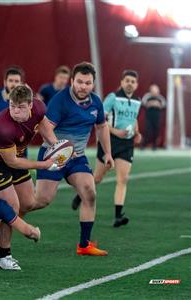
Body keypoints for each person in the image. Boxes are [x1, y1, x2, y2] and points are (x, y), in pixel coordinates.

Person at [34, 62, 114, 256]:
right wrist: (63, 148)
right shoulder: (60, 100)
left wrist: (108, 153)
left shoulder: (96, 102)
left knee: (89, 192)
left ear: (93, 84)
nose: (83, 86)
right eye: (79, 82)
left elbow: (102, 127)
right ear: (72, 81)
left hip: (77, 158)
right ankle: (9, 218)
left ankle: (84, 245)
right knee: (41, 200)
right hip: (52, 154)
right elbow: (44, 128)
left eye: (87, 83)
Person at [0, 85, 58, 270]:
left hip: (16, 157)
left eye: (20, 107)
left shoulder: (39, 107)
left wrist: (56, 146)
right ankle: (4, 256)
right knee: (11, 206)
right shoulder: (2, 128)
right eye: (12, 105)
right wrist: (44, 165)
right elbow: (13, 162)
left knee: (29, 203)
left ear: (31, 105)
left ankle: (0, 227)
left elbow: (43, 123)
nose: (15, 110)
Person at [72, 70, 142, 228]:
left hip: (127, 144)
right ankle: (80, 195)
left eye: (133, 81)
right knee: (97, 178)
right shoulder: (113, 97)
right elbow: (100, 119)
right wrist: (116, 131)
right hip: (109, 142)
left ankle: (118, 215)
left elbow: (134, 118)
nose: (130, 83)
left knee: (123, 179)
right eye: (127, 80)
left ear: (136, 85)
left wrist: (137, 132)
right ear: (122, 82)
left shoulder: (138, 100)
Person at [141, 84, 166, 150]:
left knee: (156, 131)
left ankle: (154, 145)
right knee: (147, 131)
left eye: (156, 91)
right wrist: (151, 104)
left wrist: (157, 105)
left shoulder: (160, 98)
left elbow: (163, 105)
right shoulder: (147, 96)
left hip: (157, 117)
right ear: (150, 91)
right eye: (153, 90)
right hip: (149, 117)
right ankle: (143, 145)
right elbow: (143, 103)